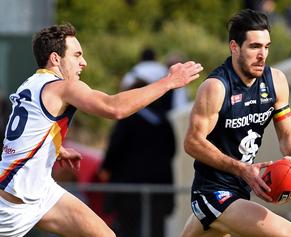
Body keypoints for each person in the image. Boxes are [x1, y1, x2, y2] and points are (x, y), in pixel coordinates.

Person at [0, 23, 203, 237]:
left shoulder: (31, 84)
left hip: (39, 192)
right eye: (77, 55)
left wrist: (55, 148)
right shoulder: (64, 86)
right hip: (12, 202)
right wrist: (169, 82)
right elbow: (114, 107)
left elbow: (25, 133)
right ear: (55, 59)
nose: (83, 62)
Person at [180, 9, 291, 237]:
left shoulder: (276, 82)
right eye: (254, 47)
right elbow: (192, 143)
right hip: (212, 192)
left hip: (239, 191)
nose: (262, 55)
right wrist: (242, 169)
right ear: (234, 47)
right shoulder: (216, 87)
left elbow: (287, 136)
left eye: (266, 47)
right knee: (290, 234)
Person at [98, 78, 176, 237]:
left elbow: (116, 147)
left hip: (129, 187)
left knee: (128, 229)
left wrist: (106, 168)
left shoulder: (128, 118)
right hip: (158, 187)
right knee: (155, 230)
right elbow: (172, 149)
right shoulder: (163, 119)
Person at [121, 47, 188, 109]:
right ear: (155, 57)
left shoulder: (132, 73)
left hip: (134, 111)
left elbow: (123, 93)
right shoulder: (162, 70)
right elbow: (179, 102)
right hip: (160, 113)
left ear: (140, 58)